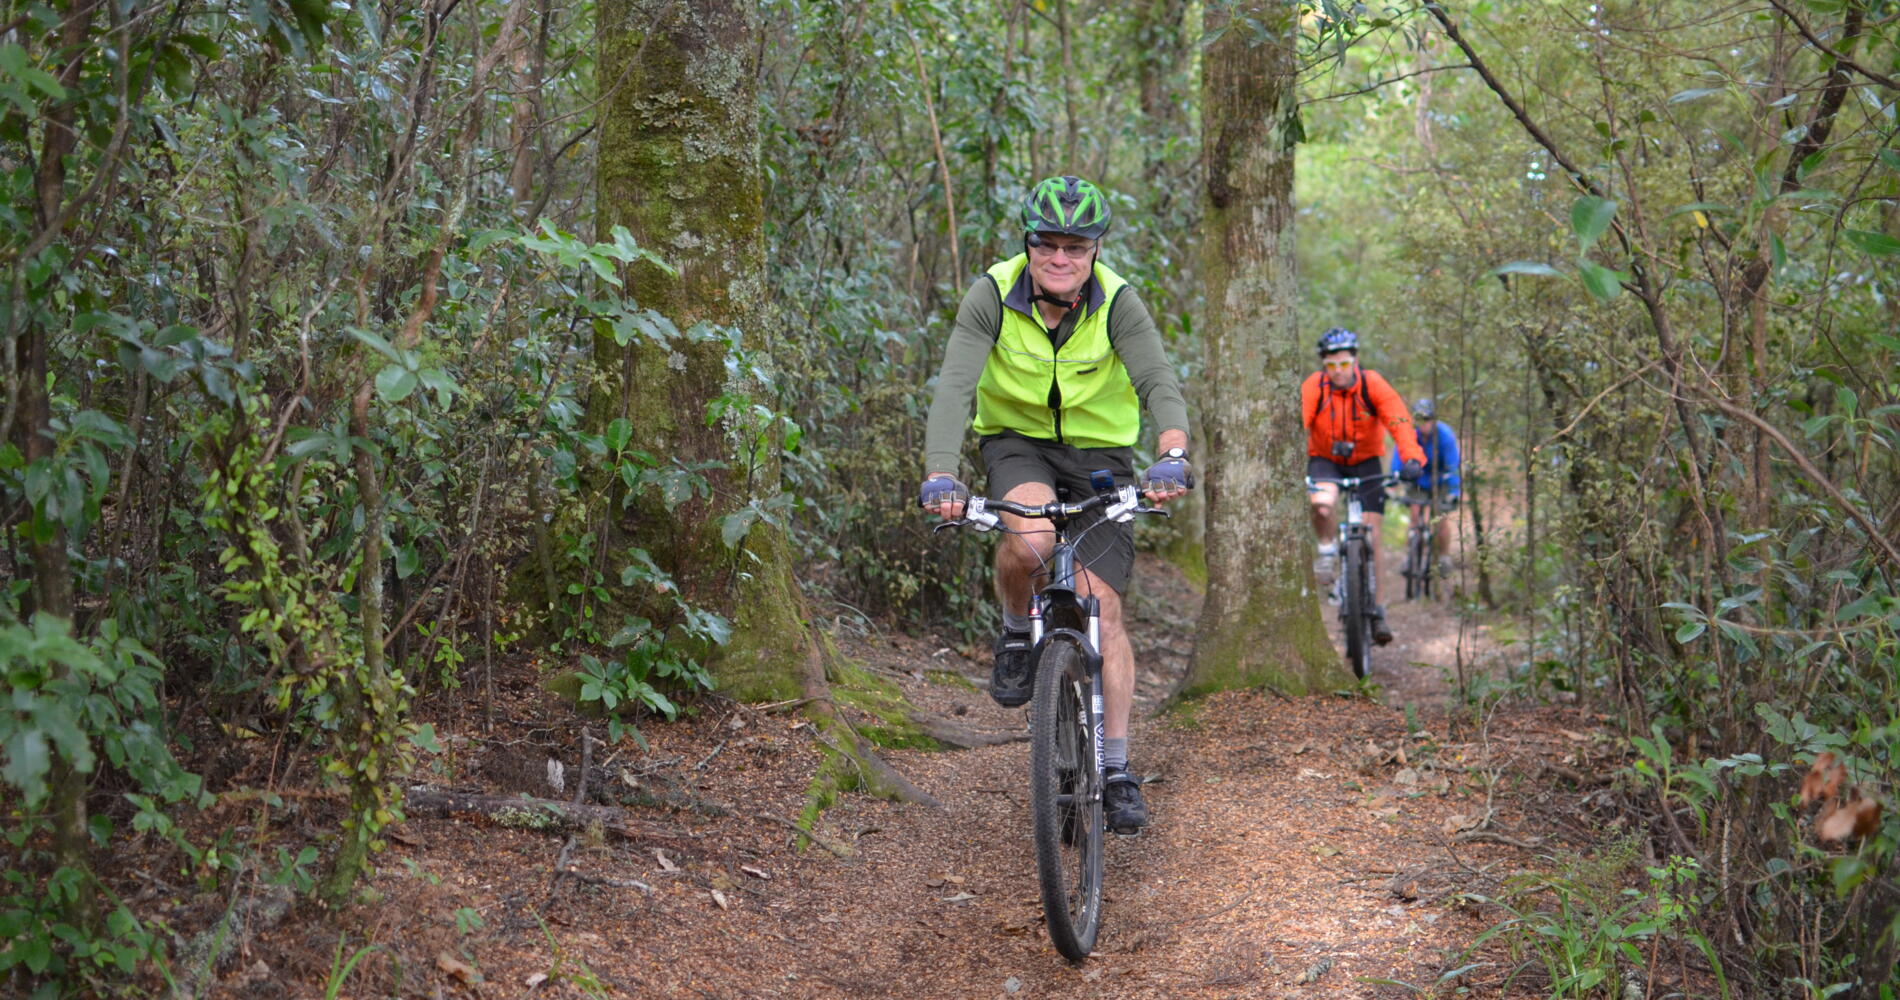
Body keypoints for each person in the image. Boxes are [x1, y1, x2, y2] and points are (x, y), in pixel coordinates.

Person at [918, 175, 1192, 835]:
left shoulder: (1119, 302)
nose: (1061, 258)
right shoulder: (992, 292)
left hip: (1100, 458)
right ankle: (1017, 632)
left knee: (1103, 610)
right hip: (1018, 447)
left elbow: (1157, 378)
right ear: (1029, 244)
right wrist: (941, 472)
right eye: (1048, 245)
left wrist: (1173, 454)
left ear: (1095, 250)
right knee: (1031, 541)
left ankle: (1118, 767)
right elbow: (957, 384)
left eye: (1076, 246)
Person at [1302, 327, 1425, 645]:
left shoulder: (1372, 384)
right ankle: (1327, 550)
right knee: (1321, 502)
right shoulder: (1315, 386)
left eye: (1344, 364)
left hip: (1366, 461)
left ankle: (1379, 611)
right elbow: (1298, 421)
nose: (1339, 372)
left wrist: (1412, 458)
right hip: (1325, 459)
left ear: (1355, 361)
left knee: (1373, 533)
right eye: (1332, 366)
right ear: (1324, 366)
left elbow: (1399, 421)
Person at [1408, 397, 1462, 582]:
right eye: (1420, 419)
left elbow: (1453, 465)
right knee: (1415, 515)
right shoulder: (1411, 435)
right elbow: (1399, 459)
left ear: (1433, 419)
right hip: (1419, 480)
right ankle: (1411, 556)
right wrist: (1395, 478)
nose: (1424, 423)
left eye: (1427, 418)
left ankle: (1444, 557)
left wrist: (1454, 492)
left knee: (1441, 518)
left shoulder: (1445, 435)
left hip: (1441, 480)